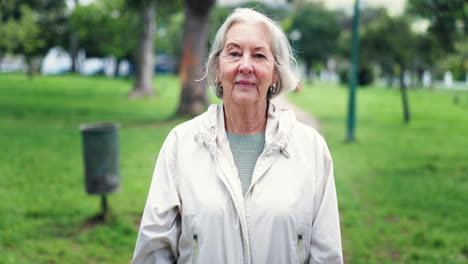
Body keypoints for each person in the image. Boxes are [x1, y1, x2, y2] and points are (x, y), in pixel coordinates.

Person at [132, 8, 343, 264]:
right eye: (233, 53)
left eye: (259, 55)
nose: (245, 66)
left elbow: (326, 254)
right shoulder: (181, 144)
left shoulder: (311, 149)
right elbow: (154, 252)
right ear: (218, 68)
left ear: (275, 73)